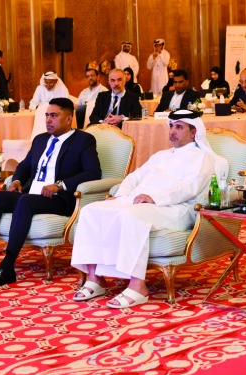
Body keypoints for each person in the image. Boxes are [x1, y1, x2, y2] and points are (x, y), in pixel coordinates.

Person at [70, 109, 222, 309]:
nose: (172, 132)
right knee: (91, 210)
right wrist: (122, 195)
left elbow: (190, 187)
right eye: (171, 126)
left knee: (132, 216)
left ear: (193, 132)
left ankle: (137, 286)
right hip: (142, 202)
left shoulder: (202, 158)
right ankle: (94, 278)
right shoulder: (161, 155)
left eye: (179, 127)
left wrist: (154, 198)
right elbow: (135, 176)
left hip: (175, 208)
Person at [0, 98, 101, 286]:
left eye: (54, 116)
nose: (48, 120)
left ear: (68, 119)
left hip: (58, 199)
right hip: (30, 194)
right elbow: (25, 166)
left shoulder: (83, 140)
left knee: (25, 201)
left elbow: (93, 172)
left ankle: (8, 266)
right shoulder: (40, 139)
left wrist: (60, 185)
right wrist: (17, 180)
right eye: (47, 115)